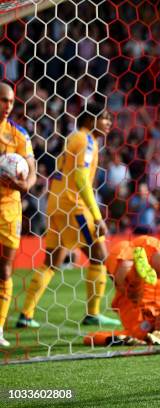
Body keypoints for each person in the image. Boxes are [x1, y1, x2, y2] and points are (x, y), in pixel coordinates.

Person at [18, 103, 121, 328]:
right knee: (100, 255)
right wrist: (97, 216)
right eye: (104, 118)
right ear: (89, 120)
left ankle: (25, 314)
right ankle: (93, 313)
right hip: (74, 206)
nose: (109, 123)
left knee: (51, 262)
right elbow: (81, 179)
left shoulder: (73, 137)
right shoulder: (87, 140)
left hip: (56, 204)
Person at [0, 82, 37, 346]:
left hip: (9, 210)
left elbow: (32, 170)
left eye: (11, 101)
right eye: (3, 100)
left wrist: (26, 184)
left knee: (4, 270)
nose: (7, 106)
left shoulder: (19, 133)